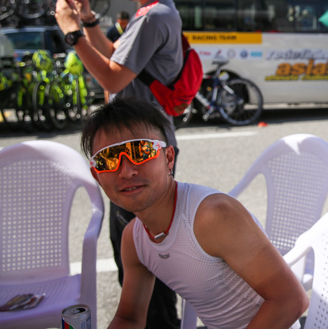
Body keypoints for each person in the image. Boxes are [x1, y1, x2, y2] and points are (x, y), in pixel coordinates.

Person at [81, 98, 308, 329]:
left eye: (140, 152)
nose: (126, 170)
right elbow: (128, 318)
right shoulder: (134, 239)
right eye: (108, 159)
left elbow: (290, 300)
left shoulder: (213, 216)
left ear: (168, 158)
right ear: (96, 175)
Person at [54, 0, 184, 328]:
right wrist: (89, 20)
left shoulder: (154, 16)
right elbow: (117, 58)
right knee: (141, 247)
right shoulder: (154, 12)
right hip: (140, 150)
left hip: (138, 155)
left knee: (142, 253)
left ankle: (159, 324)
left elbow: (111, 79)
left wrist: (71, 31)